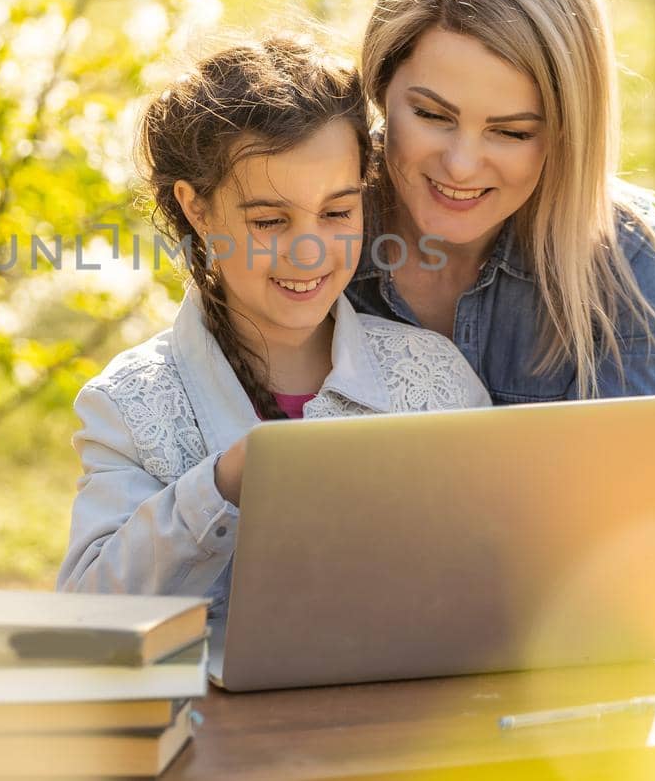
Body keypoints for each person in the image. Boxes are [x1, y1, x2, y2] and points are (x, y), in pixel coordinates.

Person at [57, 34, 489, 612]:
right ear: (198, 209)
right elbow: (86, 611)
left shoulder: (435, 380)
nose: (308, 251)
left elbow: (495, 582)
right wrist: (224, 484)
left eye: (337, 212)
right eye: (268, 220)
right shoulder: (131, 408)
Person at [347, 0, 655, 404]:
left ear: (568, 131)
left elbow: (632, 478)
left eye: (510, 132)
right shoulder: (303, 220)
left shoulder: (622, 256)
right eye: (432, 115)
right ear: (380, 84)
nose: (461, 166)